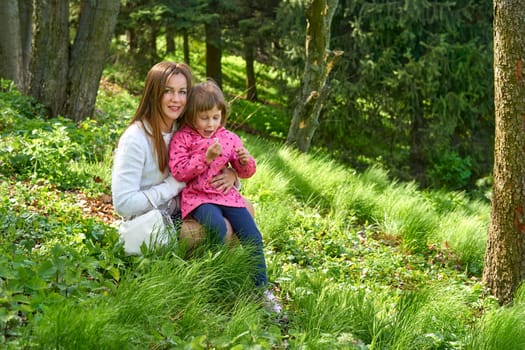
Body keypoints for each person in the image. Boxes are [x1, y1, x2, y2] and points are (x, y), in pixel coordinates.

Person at [168, 80, 281, 312]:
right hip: (199, 198)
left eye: (215, 117)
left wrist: (244, 162)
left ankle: (261, 290)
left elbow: (246, 172)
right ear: (191, 116)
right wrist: (205, 158)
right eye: (204, 118)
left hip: (228, 197)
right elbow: (179, 171)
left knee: (252, 235)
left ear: (222, 116)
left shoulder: (228, 137)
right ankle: (210, 279)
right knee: (217, 228)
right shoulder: (184, 138)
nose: (210, 124)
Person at [111, 61, 245, 250]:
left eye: (182, 92)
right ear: (153, 93)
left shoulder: (184, 130)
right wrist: (174, 185)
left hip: (186, 208)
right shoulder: (135, 138)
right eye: (168, 91)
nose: (176, 99)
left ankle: (212, 260)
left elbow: (209, 160)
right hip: (151, 218)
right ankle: (196, 267)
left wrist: (232, 175)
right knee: (221, 230)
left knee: (246, 208)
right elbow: (124, 204)